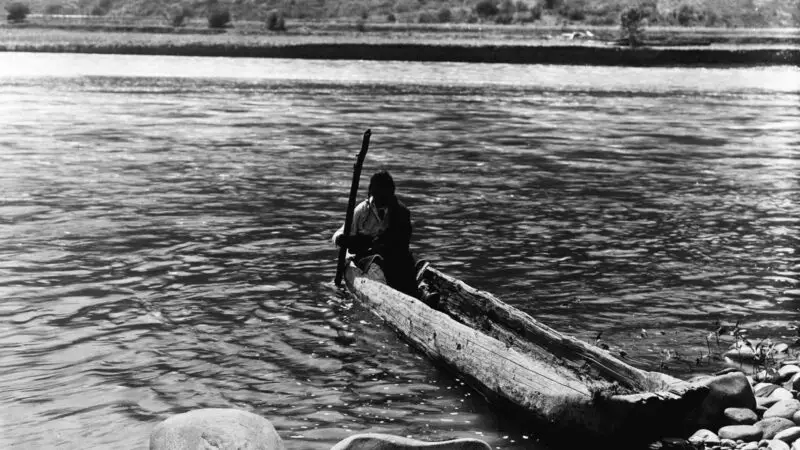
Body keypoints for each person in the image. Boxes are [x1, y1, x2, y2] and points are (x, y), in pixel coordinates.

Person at [332, 170, 419, 296]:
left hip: (391, 255)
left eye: (384, 196)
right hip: (366, 257)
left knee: (406, 264)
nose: (380, 200)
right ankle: (388, 292)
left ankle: (416, 294)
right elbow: (338, 234)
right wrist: (341, 239)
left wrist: (383, 243)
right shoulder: (362, 210)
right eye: (377, 195)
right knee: (375, 268)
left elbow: (403, 241)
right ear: (372, 193)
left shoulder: (401, 212)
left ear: (391, 194)